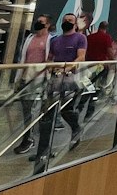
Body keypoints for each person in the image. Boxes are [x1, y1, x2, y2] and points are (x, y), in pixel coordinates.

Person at [34, 14, 86, 171]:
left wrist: (67, 67)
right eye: (65, 20)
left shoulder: (80, 38)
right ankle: (43, 151)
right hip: (54, 80)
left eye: (70, 21)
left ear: (75, 23)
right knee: (47, 114)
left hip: (70, 80)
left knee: (66, 110)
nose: (67, 23)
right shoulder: (55, 40)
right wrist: (50, 66)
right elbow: (50, 57)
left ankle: (76, 128)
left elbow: (81, 56)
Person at [14, 15, 52, 154]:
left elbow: (50, 60)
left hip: (40, 79)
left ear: (47, 25)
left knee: (35, 110)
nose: (38, 24)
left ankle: (29, 139)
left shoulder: (50, 40)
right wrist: (19, 78)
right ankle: (28, 136)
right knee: (26, 110)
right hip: (26, 78)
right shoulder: (30, 38)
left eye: (41, 22)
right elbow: (23, 58)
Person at [85, 18, 115, 102]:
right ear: (107, 28)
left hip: (88, 63)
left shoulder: (90, 37)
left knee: (88, 80)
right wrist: (113, 61)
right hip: (101, 64)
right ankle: (95, 94)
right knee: (99, 81)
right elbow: (109, 51)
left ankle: (89, 93)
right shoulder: (107, 37)